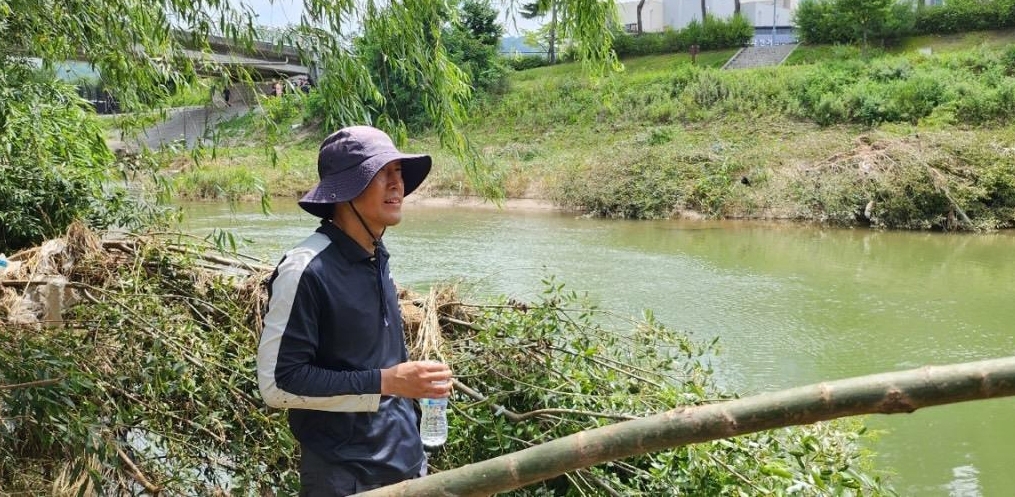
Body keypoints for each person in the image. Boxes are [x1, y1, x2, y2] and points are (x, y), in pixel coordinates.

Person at [257, 125, 453, 496]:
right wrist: (387, 381)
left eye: (399, 173)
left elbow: (373, 361)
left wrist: (414, 386)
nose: (398, 185)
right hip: (345, 477)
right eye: (383, 173)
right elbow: (277, 384)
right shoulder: (306, 270)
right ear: (346, 189)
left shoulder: (376, 256)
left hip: (407, 461)